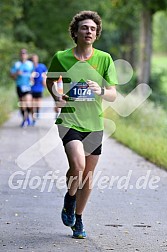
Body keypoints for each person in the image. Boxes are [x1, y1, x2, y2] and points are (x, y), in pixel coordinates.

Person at [46, 10, 117, 239]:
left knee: (87, 176)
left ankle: (78, 219)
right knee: (77, 166)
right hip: (69, 120)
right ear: (75, 32)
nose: (89, 31)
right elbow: (50, 81)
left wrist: (101, 90)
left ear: (97, 35)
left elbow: (113, 94)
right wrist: (57, 96)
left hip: (94, 124)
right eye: (85, 28)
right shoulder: (61, 57)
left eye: (93, 29)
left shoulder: (104, 59)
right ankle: (70, 197)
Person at [10, 49, 34, 127]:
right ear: (20, 55)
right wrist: (17, 73)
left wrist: (32, 77)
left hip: (28, 86)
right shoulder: (17, 64)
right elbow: (12, 75)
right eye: (22, 54)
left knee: (28, 103)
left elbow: (33, 73)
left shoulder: (30, 64)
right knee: (22, 104)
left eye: (24, 54)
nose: (23, 55)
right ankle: (25, 119)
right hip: (20, 86)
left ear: (26, 55)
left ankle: (30, 117)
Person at [30, 54, 48, 124]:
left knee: (38, 103)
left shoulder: (42, 66)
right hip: (31, 88)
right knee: (32, 104)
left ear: (37, 59)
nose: (34, 60)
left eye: (35, 59)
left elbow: (46, 73)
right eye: (33, 59)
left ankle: (37, 112)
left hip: (39, 87)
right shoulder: (30, 67)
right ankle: (33, 119)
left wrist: (44, 80)